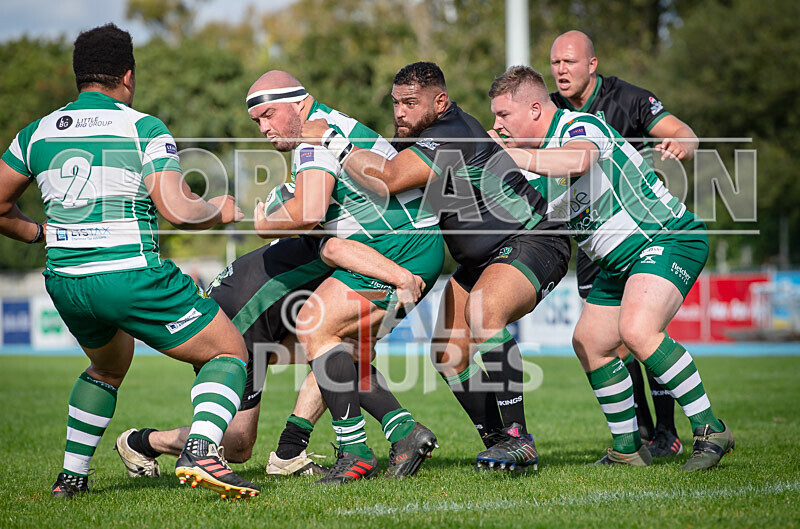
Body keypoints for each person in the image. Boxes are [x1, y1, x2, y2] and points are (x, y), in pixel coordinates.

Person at [0, 23, 258, 499]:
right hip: (130, 275)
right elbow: (178, 210)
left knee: (107, 368)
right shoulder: (142, 127)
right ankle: (201, 450)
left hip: (67, 280)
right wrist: (218, 208)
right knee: (229, 352)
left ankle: (71, 478)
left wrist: (38, 232)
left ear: (78, 76)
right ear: (128, 75)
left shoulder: (35, 133)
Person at [301, 62, 571, 471]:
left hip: (532, 240)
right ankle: (497, 441)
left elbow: (387, 178)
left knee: (486, 315)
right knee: (447, 354)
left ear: (440, 101)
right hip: (483, 258)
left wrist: (331, 140)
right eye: (395, 103)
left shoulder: (450, 133)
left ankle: (519, 438)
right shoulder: (430, 133)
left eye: (410, 103)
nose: (400, 113)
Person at [488, 65, 734, 471]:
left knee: (637, 332)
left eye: (503, 115)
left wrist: (517, 156)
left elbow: (580, 160)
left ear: (534, 109)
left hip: (667, 238)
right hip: (620, 263)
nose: (498, 125)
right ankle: (627, 447)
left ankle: (711, 429)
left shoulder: (579, 126)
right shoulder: (537, 164)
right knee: (589, 342)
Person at [249, 70, 445, 484]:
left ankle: (354, 452)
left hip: (399, 247)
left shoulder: (313, 136)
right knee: (339, 354)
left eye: (268, 114)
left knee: (312, 325)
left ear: (298, 104)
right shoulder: (327, 124)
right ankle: (404, 433)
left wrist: (267, 223)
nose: (264, 127)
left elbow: (309, 210)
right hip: (406, 245)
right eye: (256, 122)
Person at [115, 233, 428, 478]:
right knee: (238, 445)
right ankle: (141, 443)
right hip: (238, 324)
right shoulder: (344, 244)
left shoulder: (345, 236)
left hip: (257, 312)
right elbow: (334, 251)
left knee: (336, 351)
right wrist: (402, 279)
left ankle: (290, 452)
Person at [549, 30, 700, 457]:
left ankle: (668, 431)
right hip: (596, 242)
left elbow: (682, 131)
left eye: (570, 62)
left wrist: (681, 142)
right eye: (556, 62)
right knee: (608, 343)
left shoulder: (628, 99)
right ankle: (642, 431)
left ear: (592, 65)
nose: (561, 70)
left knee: (643, 332)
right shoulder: (549, 109)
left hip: (640, 232)